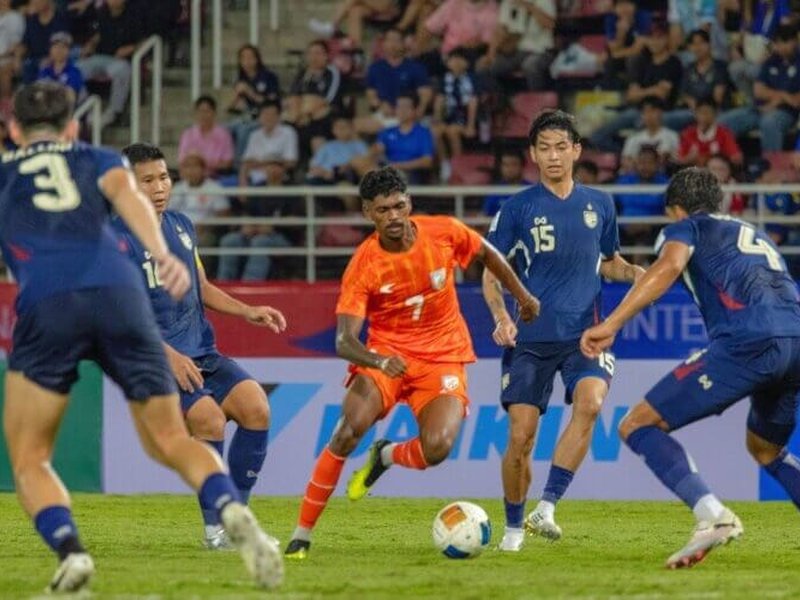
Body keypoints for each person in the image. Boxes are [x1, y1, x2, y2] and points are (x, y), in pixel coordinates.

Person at [0, 82, 282, 592]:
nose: (158, 186)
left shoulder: (5, 174)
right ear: (73, 128)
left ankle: (70, 550)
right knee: (174, 438)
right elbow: (132, 208)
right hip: (118, 296)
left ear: (13, 130)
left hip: (50, 302)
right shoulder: (100, 160)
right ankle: (229, 512)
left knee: (30, 458)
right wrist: (164, 255)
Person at [283, 165, 541, 559]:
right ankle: (301, 534)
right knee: (347, 431)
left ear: (409, 204)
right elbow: (343, 340)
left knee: (437, 447)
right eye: (383, 209)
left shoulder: (443, 232)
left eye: (399, 206)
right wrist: (378, 360)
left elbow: (489, 255)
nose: (393, 217)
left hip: (442, 356)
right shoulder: (363, 264)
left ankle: (385, 455)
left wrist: (522, 297)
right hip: (385, 355)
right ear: (368, 212)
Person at [581, 167, 800, 568]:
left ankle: (713, 516)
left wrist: (611, 323)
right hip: (796, 340)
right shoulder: (752, 231)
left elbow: (667, 267)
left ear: (676, 210)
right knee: (766, 448)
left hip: (748, 341)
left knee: (636, 424)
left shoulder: (686, 228)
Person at [482, 110, 644, 552]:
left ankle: (547, 506)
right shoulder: (516, 209)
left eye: (561, 146)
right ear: (533, 154)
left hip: (585, 335)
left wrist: (636, 273)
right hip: (531, 341)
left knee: (590, 405)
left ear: (576, 150)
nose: (553, 156)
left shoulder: (601, 204)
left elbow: (608, 259)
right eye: (544, 148)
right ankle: (514, 527)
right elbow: (491, 272)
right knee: (520, 437)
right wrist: (501, 316)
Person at [113, 142, 287, 550]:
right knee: (208, 419)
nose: (160, 187)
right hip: (157, 358)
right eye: (148, 181)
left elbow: (202, 286)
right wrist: (167, 354)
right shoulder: (116, 241)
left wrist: (247, 311)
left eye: (163, 177)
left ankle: (236, 522)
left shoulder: (180, 226)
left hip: (202, 351)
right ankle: (216, 531)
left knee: (257, 407)